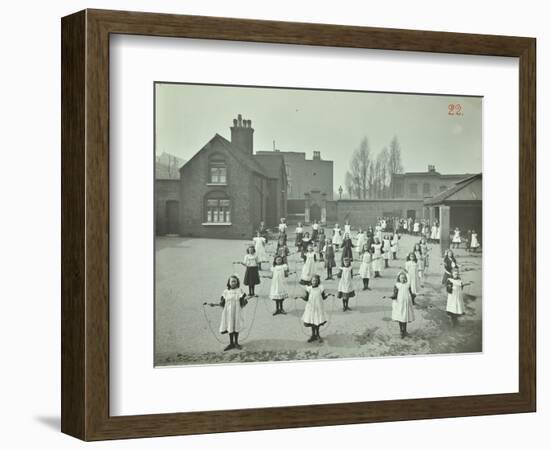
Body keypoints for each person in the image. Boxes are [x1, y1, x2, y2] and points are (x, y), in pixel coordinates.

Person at [219, 275, 248, 351]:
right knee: (230, 325)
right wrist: (219, 303)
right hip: (228, 313)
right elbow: (222, 302)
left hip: (237, 312)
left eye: (235, 281)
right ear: (229, 283)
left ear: (237, 282)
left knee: (236, 326)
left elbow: (243, 300)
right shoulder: (225, 292)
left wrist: (244, 301)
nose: (233, 283)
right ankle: (231, 343)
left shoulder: (239, 291)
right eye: (232, 281)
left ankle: (236, 343)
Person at [297, 274, 329, 343]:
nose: (314, 282)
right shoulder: (309, 289)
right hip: (311, 308)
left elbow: (323, 297)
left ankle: (317, 335)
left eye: (316, 281)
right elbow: (306, 298)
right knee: (312, 321)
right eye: (313, 280)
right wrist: (301, 297)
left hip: (319, 307)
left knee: (317, 321)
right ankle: (313, 335)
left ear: (318, 281)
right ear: (311, 281)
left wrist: (328, 296)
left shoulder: (321, 288)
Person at [387, 271, 415, 339]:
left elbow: (411, 293)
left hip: (406, 304)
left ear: (405, 278)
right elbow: (395, 294)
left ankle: (405, 330)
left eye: (403, 278)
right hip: (399, 304)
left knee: (405, 317)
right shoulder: (397, 285)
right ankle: (401, 331)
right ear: (399, 279)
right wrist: (392, 297)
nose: (402, 279)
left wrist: (413, 297)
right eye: (401, 278)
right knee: (400, 317)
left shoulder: (408, 285)